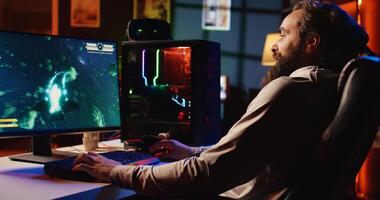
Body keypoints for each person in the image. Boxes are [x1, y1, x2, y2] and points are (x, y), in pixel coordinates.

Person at [72, 1, 370, 199]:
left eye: (283, 34)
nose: (276, 46)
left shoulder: (289, 91)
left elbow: (207, 175)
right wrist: (191, 150)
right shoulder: (327, 91)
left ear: (311, 43)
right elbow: (250, 152)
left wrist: (116, 171)